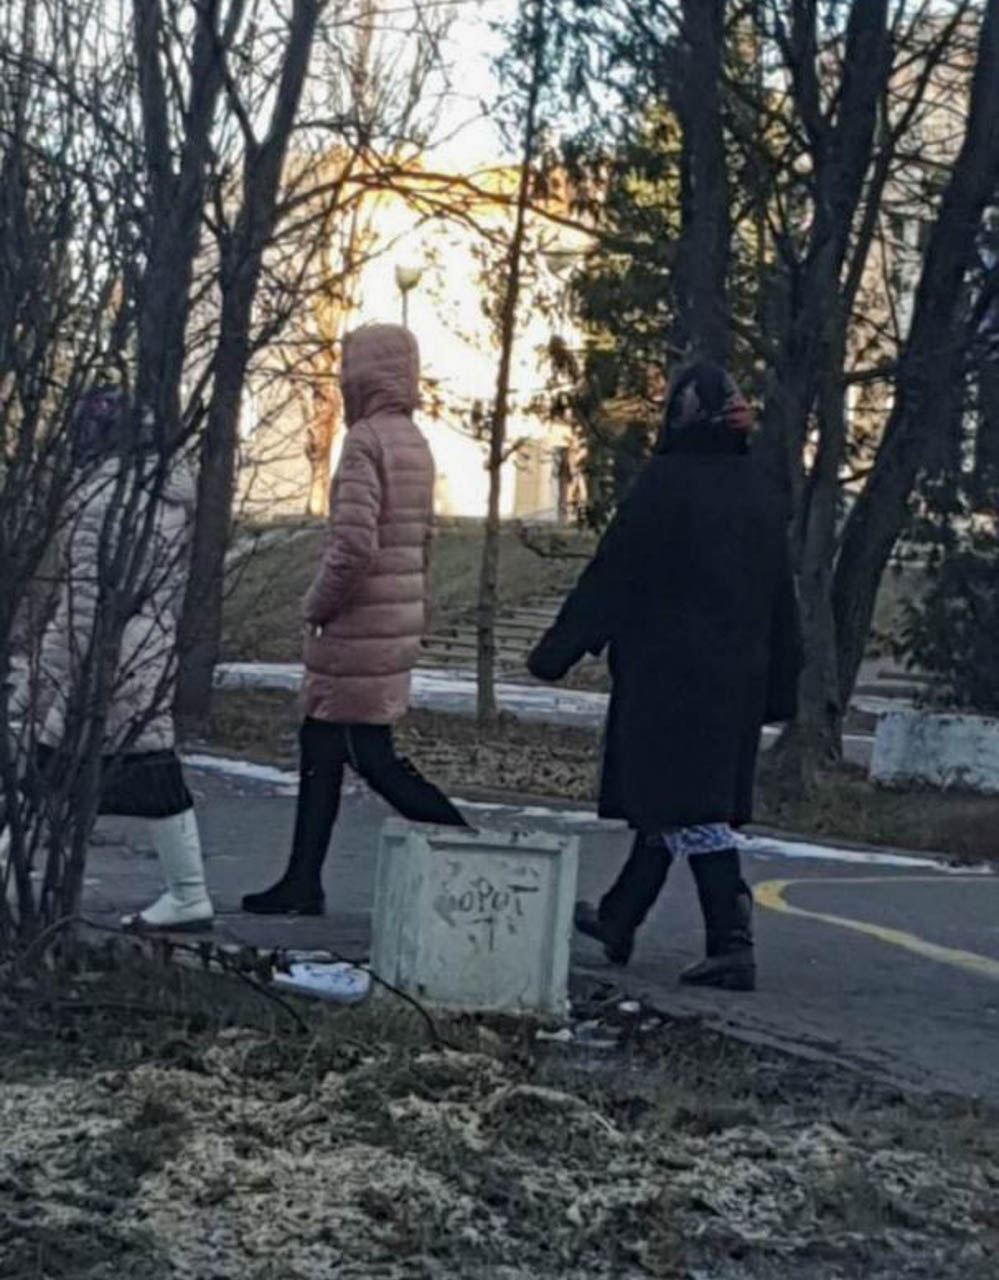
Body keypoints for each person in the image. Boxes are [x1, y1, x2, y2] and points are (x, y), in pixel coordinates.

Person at [528, 360, 802, 991]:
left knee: (691, 808)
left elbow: (612, 577)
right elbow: (779, 599)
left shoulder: (665, 486)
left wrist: (557, 651)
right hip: (736, 678)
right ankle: (620, 916)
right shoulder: (760, 491)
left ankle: (730, 939)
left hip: (668, 678)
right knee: (670, 800)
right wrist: (782, 682)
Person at [242, 324, 467, 917]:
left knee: (369, 757)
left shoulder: (365, 443)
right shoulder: (413, 442)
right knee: (325, 747)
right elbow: (421, 541)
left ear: (360, 376)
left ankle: (472, 851)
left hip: (356, 629)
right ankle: (302, 880)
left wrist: (315, 606)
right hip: (389, 623)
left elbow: (353, 547)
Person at [34, 386, 213, 931]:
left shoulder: (102, 499)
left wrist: (56, 667)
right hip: (146, 648)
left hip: (105, 655)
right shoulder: (161, 497)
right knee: (142, 769)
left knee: (54, 769)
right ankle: (188, 893)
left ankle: (189, 895)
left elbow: (85, 600)